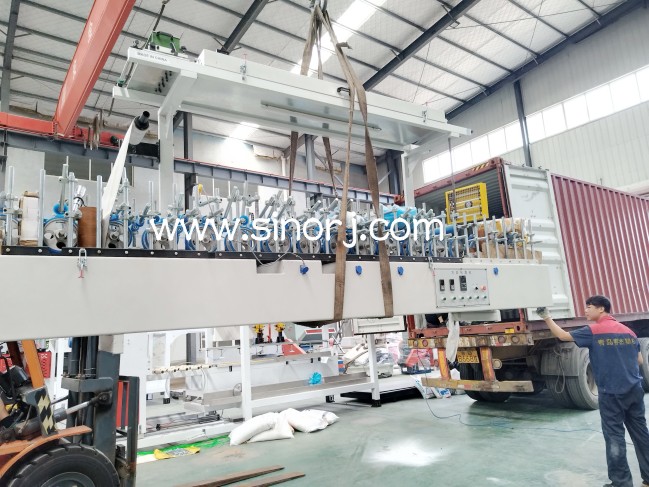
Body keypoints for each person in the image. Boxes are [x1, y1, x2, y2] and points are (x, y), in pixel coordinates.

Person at [538, 296, 649, 487]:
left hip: (611, 393)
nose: (586, 311)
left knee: (614, 436)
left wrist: (546, 317)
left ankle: (621, 483)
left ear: (601, 309)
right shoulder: (629, 332)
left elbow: (563, 336)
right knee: (641, 433)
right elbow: (639, 360)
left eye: (589, 307)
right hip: (634, 391)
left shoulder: (594, 331)